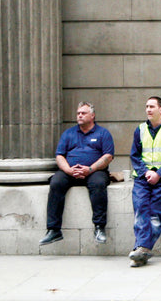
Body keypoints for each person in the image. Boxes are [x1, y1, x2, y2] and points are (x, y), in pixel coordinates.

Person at [40, 102, 115, 246]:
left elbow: (108, 156)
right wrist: (68, 170)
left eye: (83, 113)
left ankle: (99, 228)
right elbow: (59, 156)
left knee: (98, 184)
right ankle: (53, 230)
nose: (79, 115)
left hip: (95, 172)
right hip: (70, 171)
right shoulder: (68, 133)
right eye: (78, 113)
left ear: (92, 116)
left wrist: (90, 169)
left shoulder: (103, 133)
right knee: (56, 182)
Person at [128, 96, 161, 267]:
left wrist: (159, 174)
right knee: (140, 209)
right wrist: (146, 172)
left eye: (152, 106)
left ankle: (141, 249)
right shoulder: (140, 129)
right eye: (146, 107)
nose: (148, 110)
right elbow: (134, 156)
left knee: (156, 215)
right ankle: (142, 249)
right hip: (143, 178)